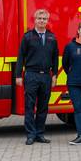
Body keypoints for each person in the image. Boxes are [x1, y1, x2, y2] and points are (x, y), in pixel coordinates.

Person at [15, 9, 59, 145]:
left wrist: (55, 75)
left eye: (44, 19)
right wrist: (18, 76)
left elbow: (55, 57)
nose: (42, 21)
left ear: (47, 21)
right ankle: (30, 135)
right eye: (40, 18)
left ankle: (40, 134)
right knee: (29, 106)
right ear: (35, 20)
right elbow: (21, 56)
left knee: (43, 107)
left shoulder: (52, 37)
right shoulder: (28, 37)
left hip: (46, 76)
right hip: (31, 75)